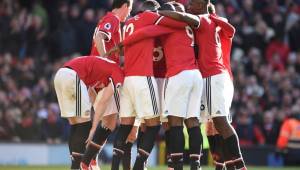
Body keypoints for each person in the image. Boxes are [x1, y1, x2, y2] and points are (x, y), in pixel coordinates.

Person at [158, 0, 247, 169]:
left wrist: (158, 14)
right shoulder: (213, 22)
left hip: (213, 76)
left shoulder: (204, 20)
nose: (188, 7)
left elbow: (182, 16)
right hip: (209, 77)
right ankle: (223, 165)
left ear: (200, 6)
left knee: (220, 122)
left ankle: (240, 166)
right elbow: (230, 30)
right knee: (211, 125)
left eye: (191, 4)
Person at [107, 1, 189, 169]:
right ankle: (141, 164)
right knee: (155, 124)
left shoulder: (129, 22)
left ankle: (116, 166)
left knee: (125, 127)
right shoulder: (151, 18)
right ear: (153, 12)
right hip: (145, 78)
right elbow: (176, 24)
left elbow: (128, 45)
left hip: (128, 78)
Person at [80, 0, 133, 169]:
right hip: (103, 77)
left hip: (97, 78)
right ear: (125, 5)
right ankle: (86, 162)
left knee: (109, 123)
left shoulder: (107, 19)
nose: (129, 14)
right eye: (129, 9)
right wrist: (106, 62)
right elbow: (99, 37)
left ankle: (89, 161)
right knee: (109, 123)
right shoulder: (113, 19)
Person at [53, 56, 124, 170]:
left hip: (60, 76)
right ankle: (79, 166)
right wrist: (93, 128)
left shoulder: (105, 68)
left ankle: (75, 166)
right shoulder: (118, 72)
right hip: (73, 76)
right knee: (84, 126)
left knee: (75, 124)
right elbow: (103, 101)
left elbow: (93, 98)